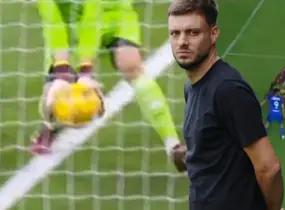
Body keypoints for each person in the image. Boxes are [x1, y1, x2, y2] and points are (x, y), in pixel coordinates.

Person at [30, 0, 186, 172]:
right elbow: (52, 20)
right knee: (53, 94)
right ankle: (48, 126)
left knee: (131, 65)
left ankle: (172, 144)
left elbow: (92, 15)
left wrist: (85, 71)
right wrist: (61, 69)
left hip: (114, 13)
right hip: (69, 22)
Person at [168, 0, 283, 210]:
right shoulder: (192, 87)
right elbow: (219, 142)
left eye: (192, 32)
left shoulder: (228, 90)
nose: (182, 41)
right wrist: (190, 153)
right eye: (175, 33)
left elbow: (269, 167)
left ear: (213, 34)